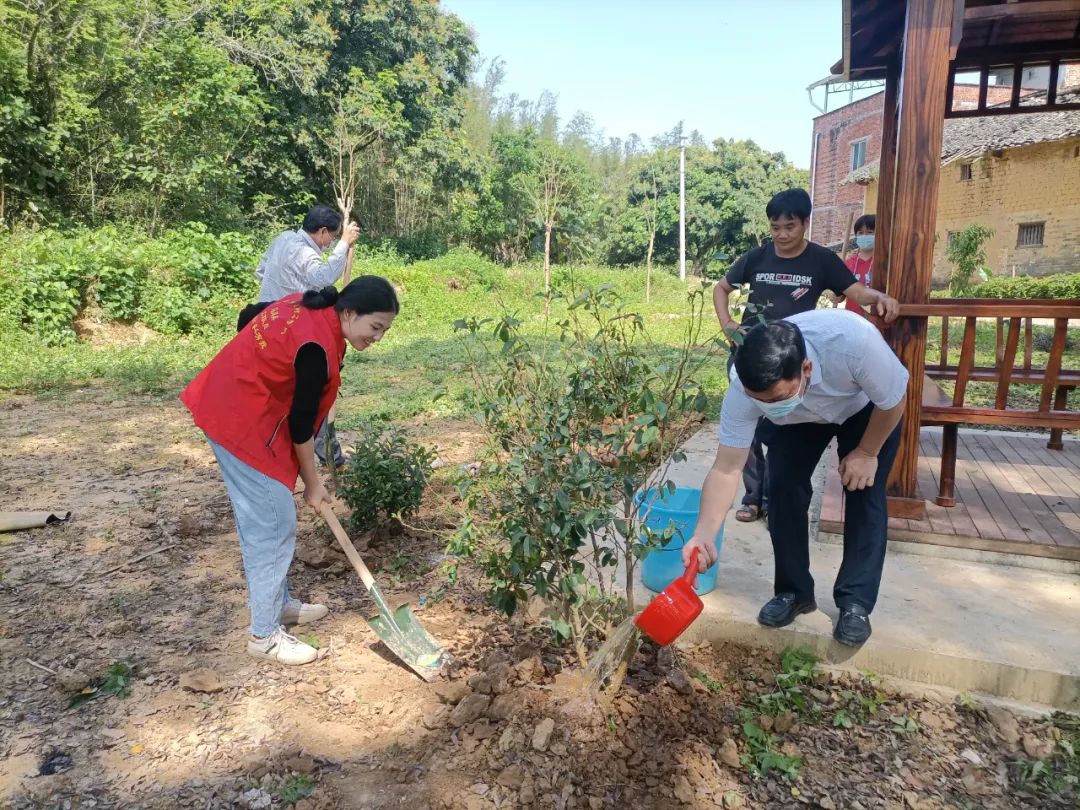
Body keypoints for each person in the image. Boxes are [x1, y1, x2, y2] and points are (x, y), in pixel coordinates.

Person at [181, 276, 399, 665]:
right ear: (349, 313)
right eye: (375, 327)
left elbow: (250, 315)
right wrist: (313, 485)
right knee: (272, 524)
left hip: (237, 404)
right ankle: (264, 636)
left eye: (384, 330)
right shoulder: (315, 347)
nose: (378, 337)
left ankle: (276, 604)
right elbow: (301, 426)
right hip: (238, 421)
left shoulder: (310, 305)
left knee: (272, 517)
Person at [681, 311, 909, 646]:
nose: (766, 407)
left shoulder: (854, 344)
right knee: (783, 489)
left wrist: (867, 452)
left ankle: (856, 603)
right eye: (760, 402)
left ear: (805, 369)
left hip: (864, 408)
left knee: (864, 492)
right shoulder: (743, 391)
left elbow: (893, 401)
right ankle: (793, 592)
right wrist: (703, 535)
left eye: (774, 399)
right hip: (797, 420)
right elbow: (727, 467)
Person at [713, 190, 899, 524]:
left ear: (805, 223)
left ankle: (774, 498)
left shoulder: (821, 260)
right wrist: (728, 325)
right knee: (747, 430)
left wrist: (879, 297)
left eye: (790, 226)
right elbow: (721, 288)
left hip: (793, 363)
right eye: (775, 227)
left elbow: (857, 292)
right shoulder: (756, 257)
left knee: (783, 434)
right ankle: (753, 497)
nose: (782, 235)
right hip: (751, 355)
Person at [254, 204, 363, 466]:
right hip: (288, 332)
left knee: (281, 389)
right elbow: (324, 276)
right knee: (315, 384)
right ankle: (327, 453)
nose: (331, 243)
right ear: (323, 231)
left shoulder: (282, 239)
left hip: (264, 322)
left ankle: (289, 447)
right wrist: (344, 245)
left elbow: (260, 271)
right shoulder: (304, 252)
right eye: (332, 237)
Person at [843, 214, 876, 316]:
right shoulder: (849, 262)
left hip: (876, 318)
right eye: (860, 233)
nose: (864, 236)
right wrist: (836, 295)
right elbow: (841, 294)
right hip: (852, 318)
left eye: (870, 232)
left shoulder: (884, 263)